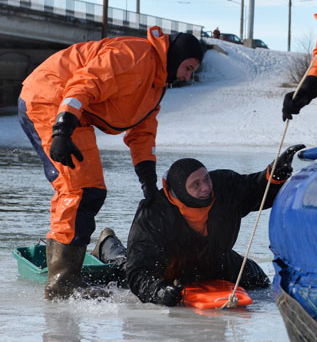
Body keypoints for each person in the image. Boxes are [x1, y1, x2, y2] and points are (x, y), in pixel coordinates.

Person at [17, 26, 204, 300]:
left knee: (88, 191)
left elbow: (142, 132)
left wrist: (148, 184)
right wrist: (62, 127)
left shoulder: (156, 84)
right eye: (188, 68)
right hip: (49, 100)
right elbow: (85, 82)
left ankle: (69, 268)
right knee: (79, 190)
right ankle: (63, 282)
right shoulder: (134, 56)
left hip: (73, 113)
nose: (189, 76)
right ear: (176, 57)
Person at [90, 145, 305, 306]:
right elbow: (139, 271)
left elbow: (257, 189)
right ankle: (107, 244)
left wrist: (275, 175)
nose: (205, 187)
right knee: (124, 268)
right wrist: (157, 292)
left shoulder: (223, 186)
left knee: (260, 280)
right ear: (180, 191)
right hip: (167, 269)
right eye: (196, 184)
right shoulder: (153, 214)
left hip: (215, 261)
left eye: (206, 179)